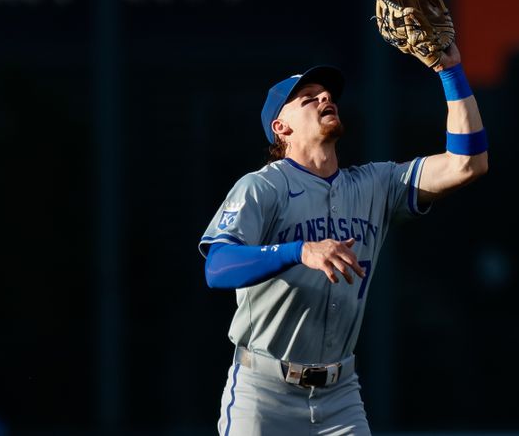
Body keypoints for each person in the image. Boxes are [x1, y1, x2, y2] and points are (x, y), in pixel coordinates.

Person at [199, 41, 488, 435]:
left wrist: (449, 71)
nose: (324, 97)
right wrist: (298, 250)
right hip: (263, 393)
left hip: (340, 398)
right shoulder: (261, 188)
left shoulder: (375, 185)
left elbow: (467, 163)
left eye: (327, 94)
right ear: (280, 127)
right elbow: (217, 266)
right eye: (307, 98)